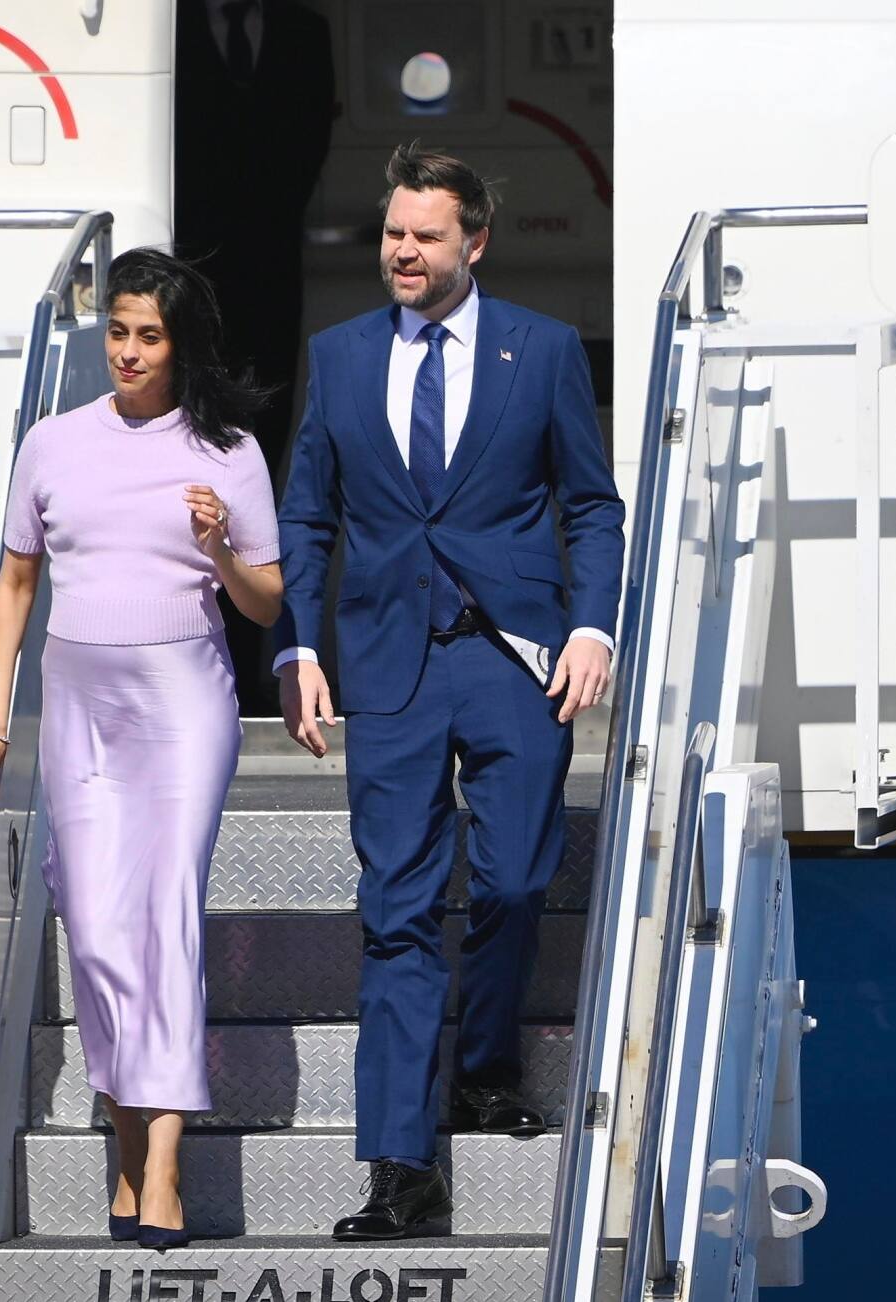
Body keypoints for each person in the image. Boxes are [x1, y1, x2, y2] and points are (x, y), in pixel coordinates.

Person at [274, 145, 626, 1240]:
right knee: (397, 914)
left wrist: (591, 622)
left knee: (518, 876)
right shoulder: (336, 359)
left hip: (515, 654)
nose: (403, 253)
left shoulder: (545, 350)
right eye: (391, 234)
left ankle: (482, 1064)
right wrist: (298, 647)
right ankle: (398, 1166)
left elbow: (590, 506)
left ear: (474, 240)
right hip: (389, 664)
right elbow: (307, 518)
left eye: (425, 236)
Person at [0, 248, 282, 1252]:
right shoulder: (52, 444)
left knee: (164, 918)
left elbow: (265, 603)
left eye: (150, 336)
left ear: (181, 347)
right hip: (80, 698)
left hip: (183, 697)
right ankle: (127, 1125)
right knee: (95, 930)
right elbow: (14, 591)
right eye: (119, 332)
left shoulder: (227, 450)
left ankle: (164, 1165)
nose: (129, 352)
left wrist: (222, 542)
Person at [175, 0, 336, 712]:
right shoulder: (170, 28)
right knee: (186, 469)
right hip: (189, 288)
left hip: (270, 285)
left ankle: (251, 670)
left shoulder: (303, 32)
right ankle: (196, 659)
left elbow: (307, 151)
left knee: (259, 470)